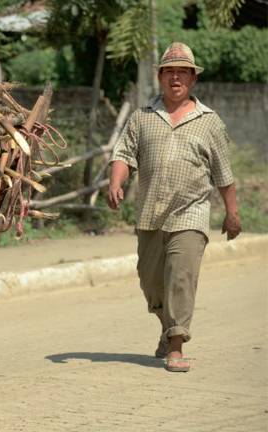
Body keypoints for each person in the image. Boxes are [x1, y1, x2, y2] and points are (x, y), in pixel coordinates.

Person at [108, 42, 241, 373]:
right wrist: (116, 183)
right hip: (150, 213)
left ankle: (177, 346)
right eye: (169, 71)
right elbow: (123, 154)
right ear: (160, 77)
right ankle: (167, 329)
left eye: (183, 72)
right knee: (151, 282)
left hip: (190, 213)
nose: (176, 77)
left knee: (181, 277)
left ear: (194, 78)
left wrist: (232, 213)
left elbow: (223, 173)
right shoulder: (142, 117)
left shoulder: (209, 122)